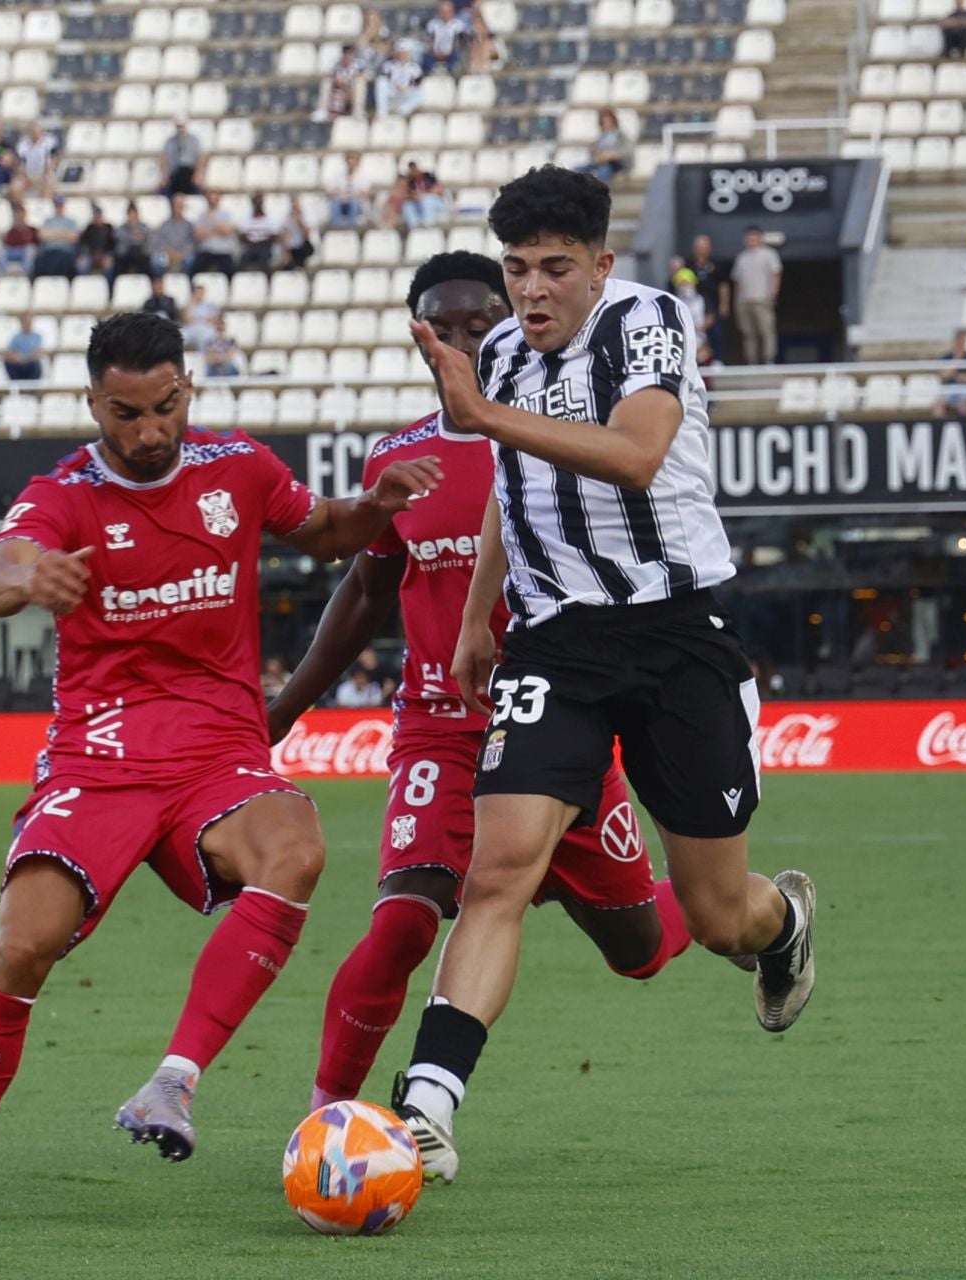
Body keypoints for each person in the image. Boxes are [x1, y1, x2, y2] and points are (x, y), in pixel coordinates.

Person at [0, 309, 444, 1228]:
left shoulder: (239, 468)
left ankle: (172, 1083)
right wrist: (26, 583)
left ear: (186, 386)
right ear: (92, 404)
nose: (148, 433)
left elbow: (322, 533)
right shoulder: (61, 494)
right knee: (22, 948)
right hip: (99, 761)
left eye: (164, 406)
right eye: (124, 414)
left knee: (297, 850)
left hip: (218, 754)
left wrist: (376, 507)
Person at [388, 167, 814, 1183]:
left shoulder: (649, 320)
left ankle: (783, 923)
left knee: (716, 916)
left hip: (677, 634)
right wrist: (485, 613)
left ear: (600, 268)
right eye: (517, 267)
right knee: (497, 872)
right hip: (557, 644)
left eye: (554, 268)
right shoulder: (499, 352)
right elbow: (511, 485)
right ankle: (427, 1107)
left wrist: (482, 416)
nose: (531, 289)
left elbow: (634, 452)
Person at [269, 251, 734, 1113]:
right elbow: (366, 591)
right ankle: (329, 1119)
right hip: (442, 732)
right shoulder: (399, 460)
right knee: (406, 920)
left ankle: (736, 907)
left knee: (638, 948)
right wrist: (281, 711)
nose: (460, 343)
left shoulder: (559, 444)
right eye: (439, 331)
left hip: (559, 719)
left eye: (478, 325)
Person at [730, 224, 782, 365]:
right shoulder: (742, 257)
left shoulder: (769, 254)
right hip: (744, 301)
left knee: (766, 331)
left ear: (760, 238)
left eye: (753, 237)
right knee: (748, 333)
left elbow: (775, 275)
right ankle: (751, 360)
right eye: (748, 237)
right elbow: (737, 282)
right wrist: (736, 302)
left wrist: (773, 295)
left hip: (762, 299)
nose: (751, 239)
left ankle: (768, 359)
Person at [577, 109, 633, 186]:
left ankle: (599, 194)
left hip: (615, 164)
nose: (607, 124)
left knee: (603, 171)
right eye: (604, 122)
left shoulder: (621, 135)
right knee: (577, 169)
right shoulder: (601, 137)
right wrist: (594, 151)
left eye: (609, 121)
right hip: (600, 162)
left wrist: (614, 155)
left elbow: (628, 151)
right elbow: (593, 151)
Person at [933, 330, 966, 416]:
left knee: (963, 404)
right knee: (938, 404)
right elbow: (943, 376)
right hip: (949, 388)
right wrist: (956, 360)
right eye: (958, 340)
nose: (960, 343)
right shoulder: (946, 357)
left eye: (962, 340)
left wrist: (957, 376)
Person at [192, 193, 239, 278]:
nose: (212, 201)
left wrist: (212, 223)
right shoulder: (201, 215)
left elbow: (227, 232)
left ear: (218, 200)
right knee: (195, 268)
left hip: (223, 250)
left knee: (230, 270)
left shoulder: (226, 214)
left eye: (214, 199)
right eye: (210, 199)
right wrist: (217, 230)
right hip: (207, 250)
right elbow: (199, 234)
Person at [316, 45, 367, 122]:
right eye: (346, 53)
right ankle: (322, 110)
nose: (348, 56)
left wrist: (348, 81)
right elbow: (328, 76)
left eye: (350, 54)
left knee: (359, 84)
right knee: (326, 83)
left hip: (351, 94)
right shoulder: (336, 65)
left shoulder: (358, 65)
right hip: (338, 93)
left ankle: (358, 111)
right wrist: (337, 81)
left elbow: (363, 76)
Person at [34, 195, 80, 278]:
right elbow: (43, 236)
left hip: (65, 252)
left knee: (65, 262)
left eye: (60, 205)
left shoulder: (71, 221)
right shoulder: (48, 220)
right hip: (50, 252)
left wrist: (53, 233)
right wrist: (64, 233)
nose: (59, 207)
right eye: (57, 205)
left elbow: (74, 238)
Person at [150, 195, 196, 276]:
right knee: (156, 262)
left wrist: (181, 253)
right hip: (167, 254)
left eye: (180, 206)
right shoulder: (165, 225)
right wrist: (169, 252)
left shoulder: (188, 225)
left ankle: (188, 281)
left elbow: (191, 243)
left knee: (191, 260)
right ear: (172, 207)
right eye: (176, 206)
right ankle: (159, 283)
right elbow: (160, 242)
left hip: (183, 254)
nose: (178, 209)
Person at [159, 118, 206, 197]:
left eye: (182, 126)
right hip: (175, 175)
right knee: (163, 192)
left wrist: (198, 174)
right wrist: (164, 176)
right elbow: (164, 159)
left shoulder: (194, 140)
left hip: (189, 174)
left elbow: (200, 158)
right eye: (178, 126)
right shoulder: (169, 141)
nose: (180, 129)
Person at [12, 121, 57, 203]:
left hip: (44, 174)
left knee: (48, 183)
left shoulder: (49, 142)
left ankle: (44, 208)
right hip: (27, 176)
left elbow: (52, 161)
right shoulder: (23, 144)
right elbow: (21, 165)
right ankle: (20, 211)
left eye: (37, 132)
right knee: (16, 187)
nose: (35, 134)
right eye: (32, 132)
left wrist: (44, 176)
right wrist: (28, 179)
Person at [375, 43, 424, 116]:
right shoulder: (388, 65)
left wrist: (406, 87)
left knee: (421, 92)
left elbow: (417, 83)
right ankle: (382, 110)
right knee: (380, 82)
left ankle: (403, 110)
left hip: (406, 91)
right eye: (401, 53)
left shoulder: (415, 67)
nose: (403, 55)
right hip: (393, 90)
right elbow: (385, 79)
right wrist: (395, 86)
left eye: (405, 53)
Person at [326, 153, 373, 229]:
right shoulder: (338, 175)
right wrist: (338, 192)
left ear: (357, 162)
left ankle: (351, 229)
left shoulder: (364, 176)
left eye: (353, 161)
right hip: (341, 202)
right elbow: (329, 191)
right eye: (349, 161)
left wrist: (353, 194)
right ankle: (336, 228)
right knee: (334, 202)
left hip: (357, 205)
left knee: (354, 202)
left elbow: (365, 193)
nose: (351, 164)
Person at [238, 195, 282, 275]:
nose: (258, 204)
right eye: (256, 202)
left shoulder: (270, 218)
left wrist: (258, 242)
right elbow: (242, 236)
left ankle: (267, 281)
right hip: (250, 247)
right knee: (243, 259)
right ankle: (241, 280)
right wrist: (253, 243)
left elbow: (274, 237)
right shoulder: (246, 218)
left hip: (265, 247)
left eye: (260, 202)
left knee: (264, 260)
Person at [425, 0, 469, 74]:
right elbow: (430, 41)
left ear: (452, 12)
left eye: (446, 12)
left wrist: (448, 53)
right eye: (442, 12)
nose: (444, 14)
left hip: (452, 53)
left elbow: (459, 44)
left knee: (457, 57)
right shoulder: (433, 24)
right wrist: (435, 53)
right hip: (435, 54)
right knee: (425, 58)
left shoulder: (459, 25)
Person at [112, 201, 153, 278]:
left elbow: (147, 239)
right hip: (126, 254)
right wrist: (133, 237)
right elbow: (120, 238)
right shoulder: (122, 227)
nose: (132, 216)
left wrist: (132, 238)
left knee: (144, 261)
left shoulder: (144, 227)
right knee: (118, 263)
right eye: (131, 214)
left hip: (140, 254)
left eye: (134, 214)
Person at [400, 162, 447, 229]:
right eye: (411, 169)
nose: (414, 171)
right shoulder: (410, 182)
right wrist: (414, 196)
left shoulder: (429, 176)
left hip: (435, 204)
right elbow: (405, 195)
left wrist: (424, 194)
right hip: (420, 205)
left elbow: (440, 190)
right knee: (407, 205)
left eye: (414, 168)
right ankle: (415, 226)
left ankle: (428, 225)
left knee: (426, 199)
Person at [0, 201, 38, 276]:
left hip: (24, 251)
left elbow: (35, 242)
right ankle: (2, 273)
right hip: (13, 251)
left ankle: (24, 273)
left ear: (25, 214)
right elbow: (7, 243)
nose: (20, 216)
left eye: (22, 213)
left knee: (30, 249)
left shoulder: (32, 229)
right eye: (18, 214)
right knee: (2, 251)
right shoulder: (12, 230)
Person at [3, 311, 45, 381]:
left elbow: (39, 352)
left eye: (29, 321)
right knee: (8, 362)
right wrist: (17, 357)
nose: (27, 323)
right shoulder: (16, 337)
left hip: (31, 365)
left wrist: (26, 358)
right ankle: (17, 386)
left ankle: (32, 389)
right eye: (25, 321)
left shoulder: (37, 336)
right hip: (19, 365)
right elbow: (8, 352)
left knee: (35, 364)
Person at [77, 205, 117, 278]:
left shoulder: (108, 227)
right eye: (96, 215)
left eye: (99, 215)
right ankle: (84, 284)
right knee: (82, 266)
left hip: (105, 254)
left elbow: (113, 243)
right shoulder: (89, 228)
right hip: (91, 254)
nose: (98, 217)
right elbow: (83, 243)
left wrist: (105, 254)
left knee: (109, 265)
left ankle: (108, 286)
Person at [280, 196, 315, 272]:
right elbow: (285, 236)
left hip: (304, 246)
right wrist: (287, 253)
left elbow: (307, 234)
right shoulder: (287, 218)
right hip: (293, 248)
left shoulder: (306, 216)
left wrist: (299, 221)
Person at [181, 282, 219, 350]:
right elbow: (185, 320)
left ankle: (202, 359)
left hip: (205, 328)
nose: (199, 295)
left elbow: (214, 320)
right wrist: (191, 303)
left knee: (205, 338)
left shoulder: (209, 305)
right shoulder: (189, 304)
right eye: (197, 293)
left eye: (201, 293)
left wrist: (195, 319)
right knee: (178, 337)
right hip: (191, 328)